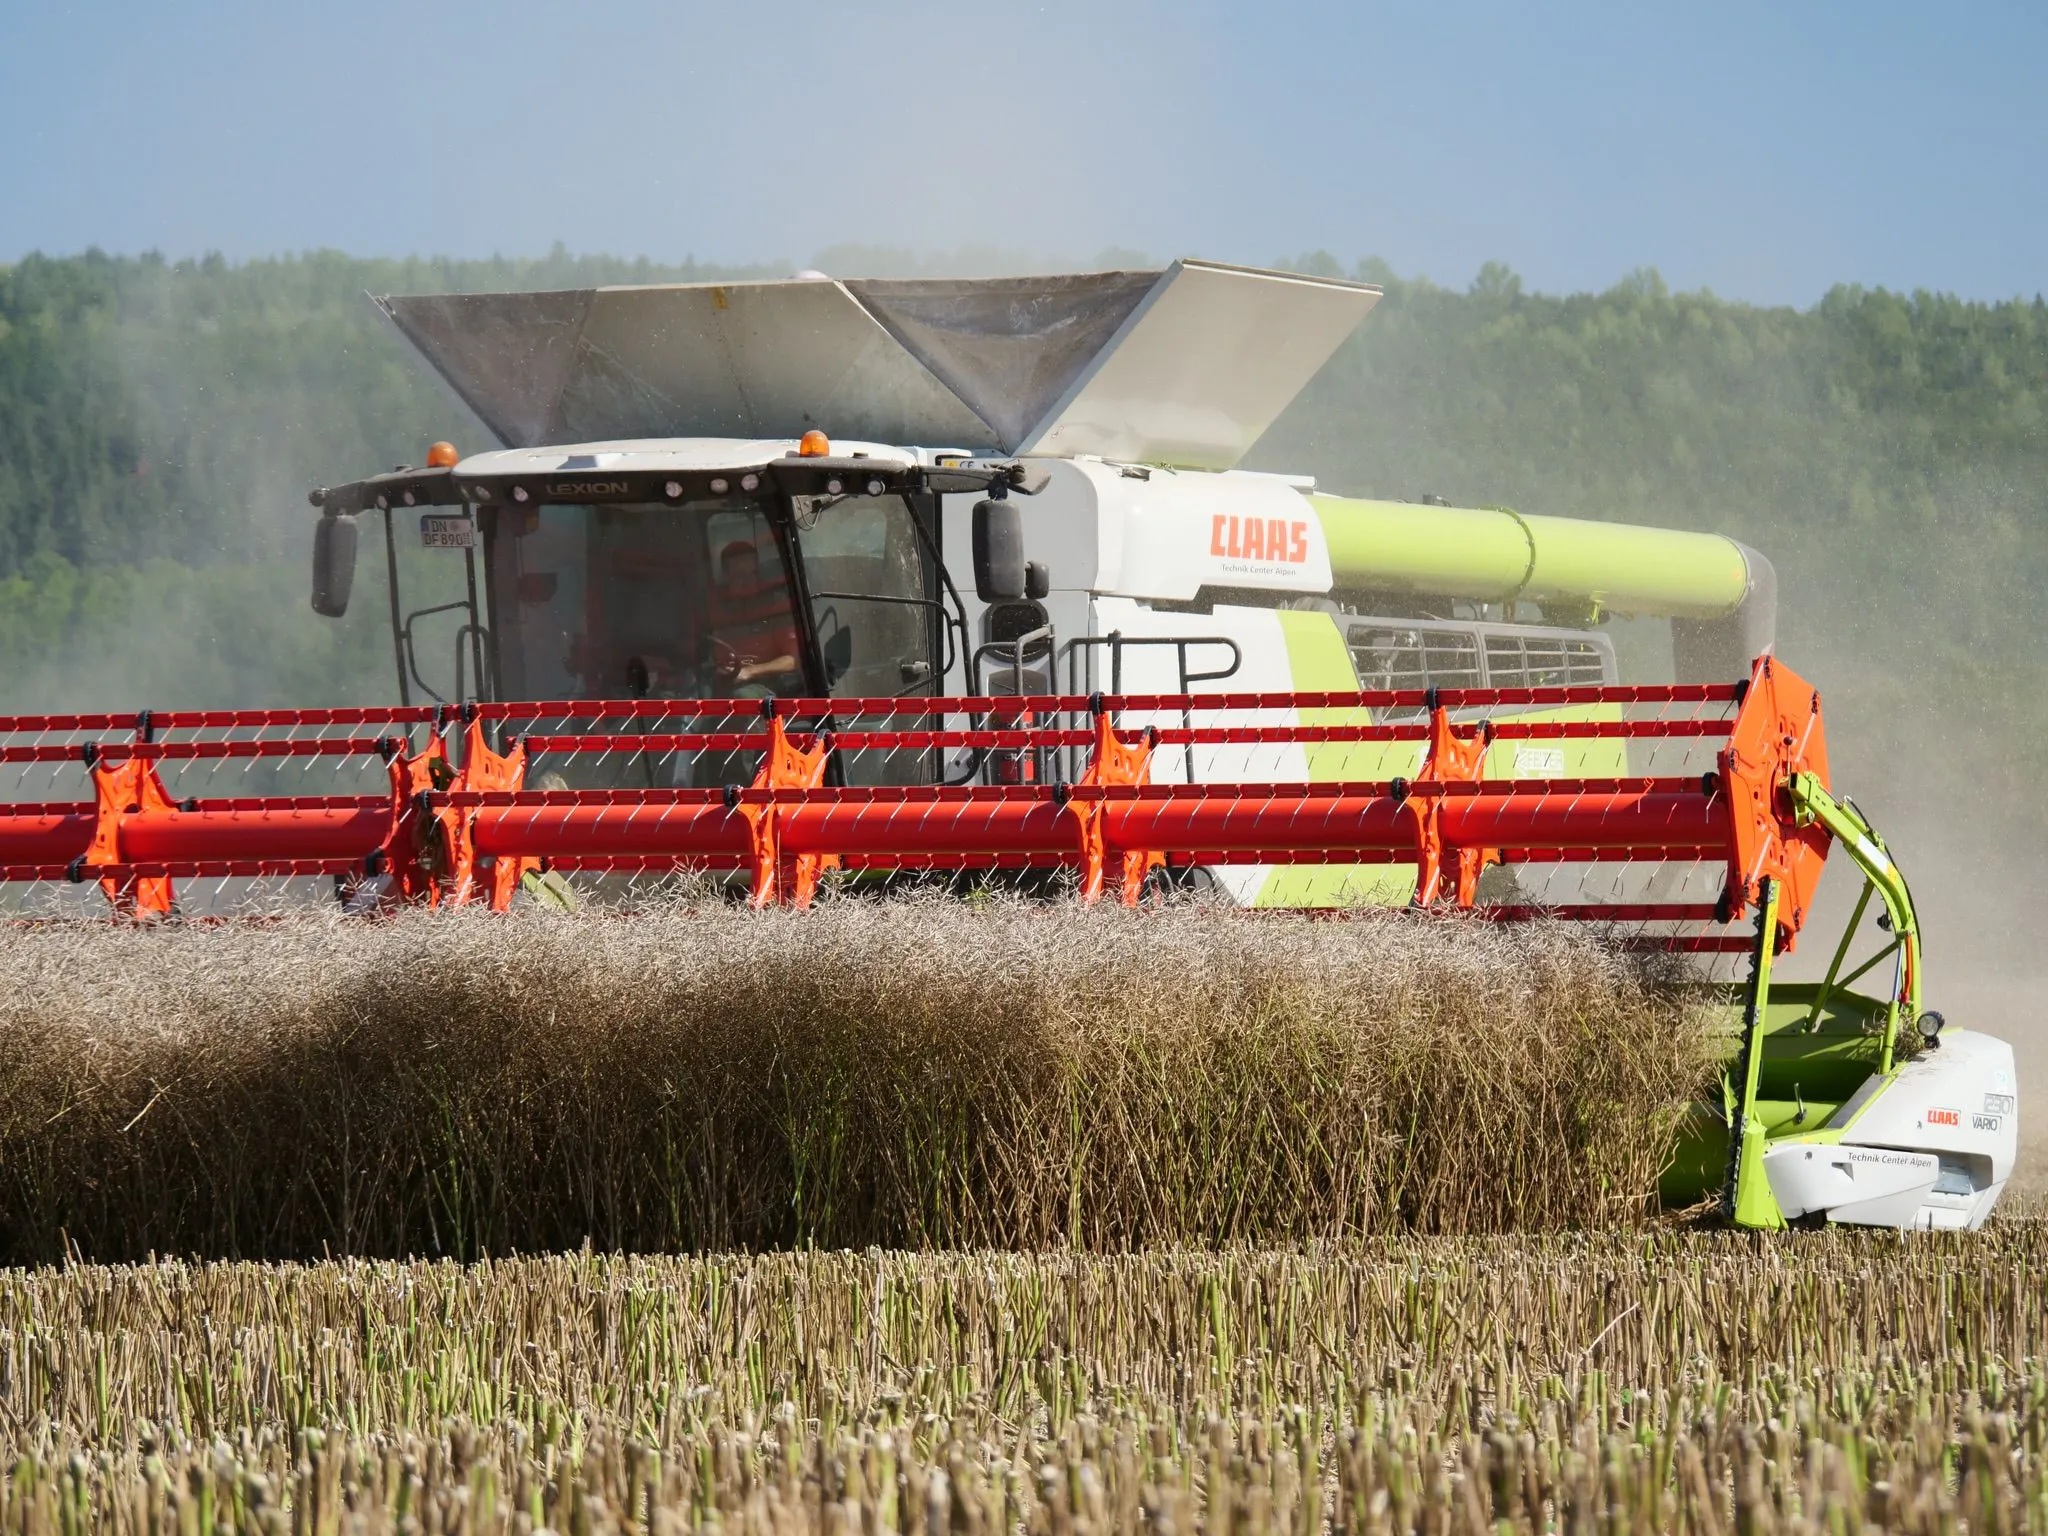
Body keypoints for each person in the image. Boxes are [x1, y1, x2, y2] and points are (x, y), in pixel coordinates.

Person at [706, 539, 802, 694]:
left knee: (741, 698)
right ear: (726, 576)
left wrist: (750, 672)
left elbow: (793, 660)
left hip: (763, 683)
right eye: (739, 575)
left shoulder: (775, 607)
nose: (747, 581)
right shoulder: (713, 607)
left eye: (752, 574)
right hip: (717, 679)